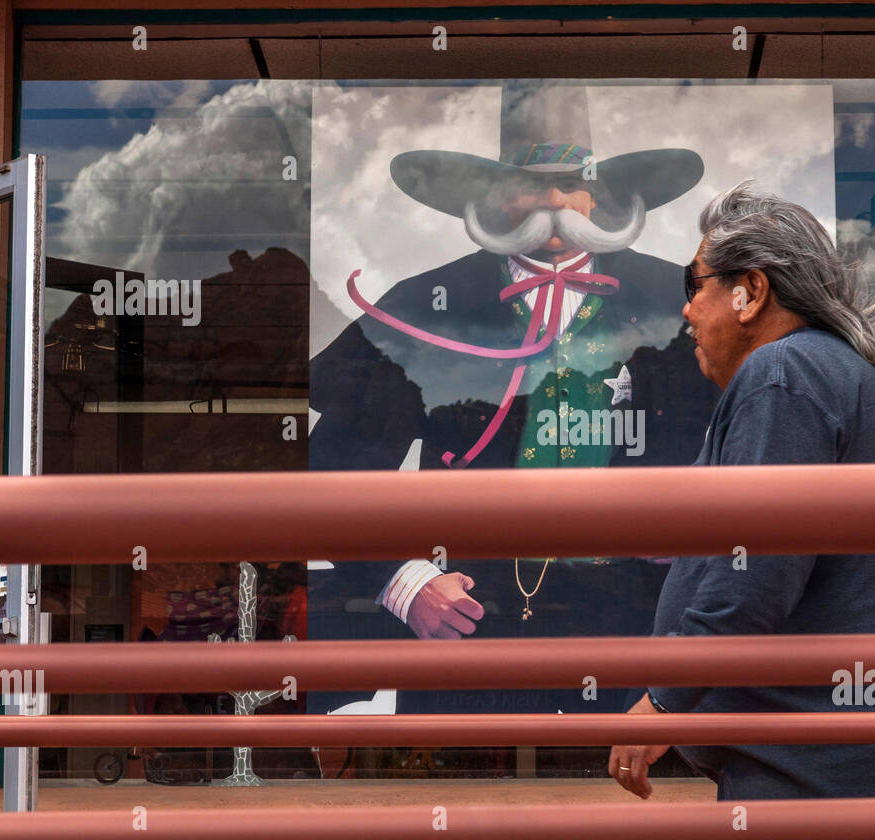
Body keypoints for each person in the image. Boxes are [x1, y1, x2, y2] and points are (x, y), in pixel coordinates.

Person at [307, 80, 717, 719]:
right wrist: (403, 582)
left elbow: (749, 444)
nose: (554, 200)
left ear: (603, 195)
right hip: (467, 627)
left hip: (640, 633)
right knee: (460, 813)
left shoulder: (684, 301)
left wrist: (700, 533)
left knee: (640, 812)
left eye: (574, 181)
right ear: (495, 198)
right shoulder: (424, 305)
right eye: (530, 183)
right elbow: (333, 467)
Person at [607, 180, 875, 840]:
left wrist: (664, 701)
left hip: (813, 807)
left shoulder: (781, 374)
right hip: (852, 788)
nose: (687, 306)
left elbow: (753, 574)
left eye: (696, 282)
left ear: (750, 291)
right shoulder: (857, 380)